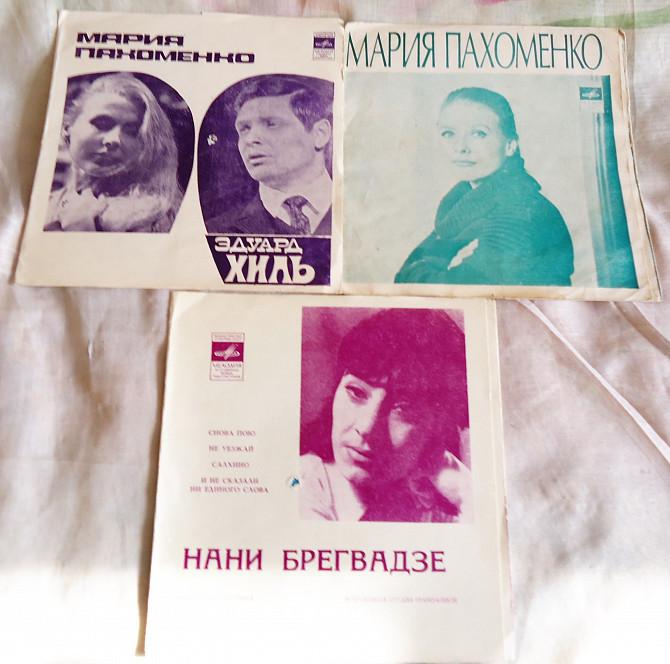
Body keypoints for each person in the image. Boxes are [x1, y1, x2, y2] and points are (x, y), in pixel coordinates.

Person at [299, 308, 473, 523]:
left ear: (438, 426)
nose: (366, 428)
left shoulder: (439, 496)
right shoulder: (302, 484)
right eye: (356, 392)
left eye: (403, 409)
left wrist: (455, 483)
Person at [395, 87, 574, 286]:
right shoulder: (469, 203)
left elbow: (450, 291)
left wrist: (421, 271)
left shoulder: (518, 210)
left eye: (479, 133)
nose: (461, 147)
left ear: (510, 145)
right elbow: (403, 279)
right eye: (449, 133)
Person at [45, 73, 182, 233]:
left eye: (132, 131)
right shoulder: (47, 204)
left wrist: (81, 228)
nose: (115, 139)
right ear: (67, 130)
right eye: (102, 123)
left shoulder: (155, 216)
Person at [205, 76, 333, 236]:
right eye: (244, 128)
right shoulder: (216, 230)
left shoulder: (357, 209)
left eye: (272, 124)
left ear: (320, 134)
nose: (250, 139)